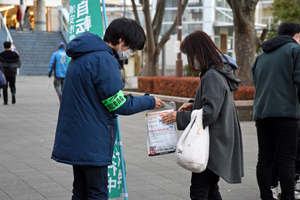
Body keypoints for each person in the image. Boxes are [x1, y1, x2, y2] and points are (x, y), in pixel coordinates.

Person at [51, 18, 164, 199]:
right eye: (131, 47)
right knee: (97, 192)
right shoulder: (104, 60)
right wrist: (149, 101)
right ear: (121, 40)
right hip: (92, 139)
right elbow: (118, 104)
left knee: (80, 191)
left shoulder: (82, 55)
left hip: (76, 135)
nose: (130, 52)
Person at [162, 30, 244, 200]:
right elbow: (215, 103)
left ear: (197, 52)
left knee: (199, 191)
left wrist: (178, 117)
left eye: (190, 55)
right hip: (219, 139)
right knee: (210, 188)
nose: (190, 60)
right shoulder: (218, 71)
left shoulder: (212, 75)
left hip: (212, 143)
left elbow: (210, 113)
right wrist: (194, 104)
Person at [252, 22, 300, 200]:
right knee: (287, 160)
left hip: (262, 114)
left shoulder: (261, 56)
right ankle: (287, 197)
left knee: (264, 158)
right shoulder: (295, 51)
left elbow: (256, 81)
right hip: (286, 113)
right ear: (296, 35)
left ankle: (266, 196)